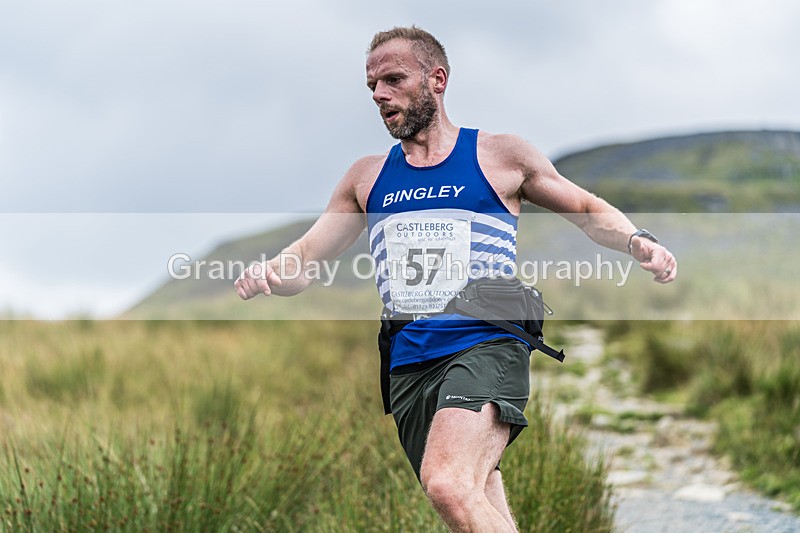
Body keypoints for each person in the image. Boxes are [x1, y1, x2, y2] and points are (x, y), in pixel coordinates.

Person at [235, 26, 677, 533]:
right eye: (372, 86)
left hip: (487, 342)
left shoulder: (500, 156)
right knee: (476, 494)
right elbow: (307, 258)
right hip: (409, 363)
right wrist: (273, 273)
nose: (380, 94)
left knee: (447, 483)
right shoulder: (366, 178)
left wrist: (637, 240)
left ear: (437, 79)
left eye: (393, 79)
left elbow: (586, 209)